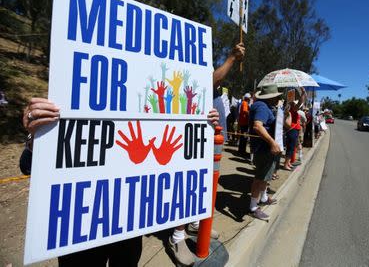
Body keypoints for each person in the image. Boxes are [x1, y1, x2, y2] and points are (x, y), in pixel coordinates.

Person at [21, 98, 220, 266]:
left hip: (129, 228)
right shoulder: (65, 105)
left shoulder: (144, 115)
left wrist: (201, 123)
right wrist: (36, 138)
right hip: (80, 229)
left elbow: (177, 164)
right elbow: (27, 166)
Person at [168, 42, 245, 266]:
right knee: (185, 183)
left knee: (199, 186)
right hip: (186, 137)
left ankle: (193, 223)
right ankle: (177, 236)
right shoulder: (184, 69)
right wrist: (231, 58)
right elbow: (208, 81)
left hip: (204, 136)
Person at [248, 84, 282, 221]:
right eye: (277, 96)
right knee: (260, 178)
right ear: (272, 97)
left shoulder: (265, 106)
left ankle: (263, 197)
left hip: (266, 148)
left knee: (265, 176)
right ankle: (253, 207)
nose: (278, 98)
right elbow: (257, 126)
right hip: (263, 148)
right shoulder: (262, 107)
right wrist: (272, 142)